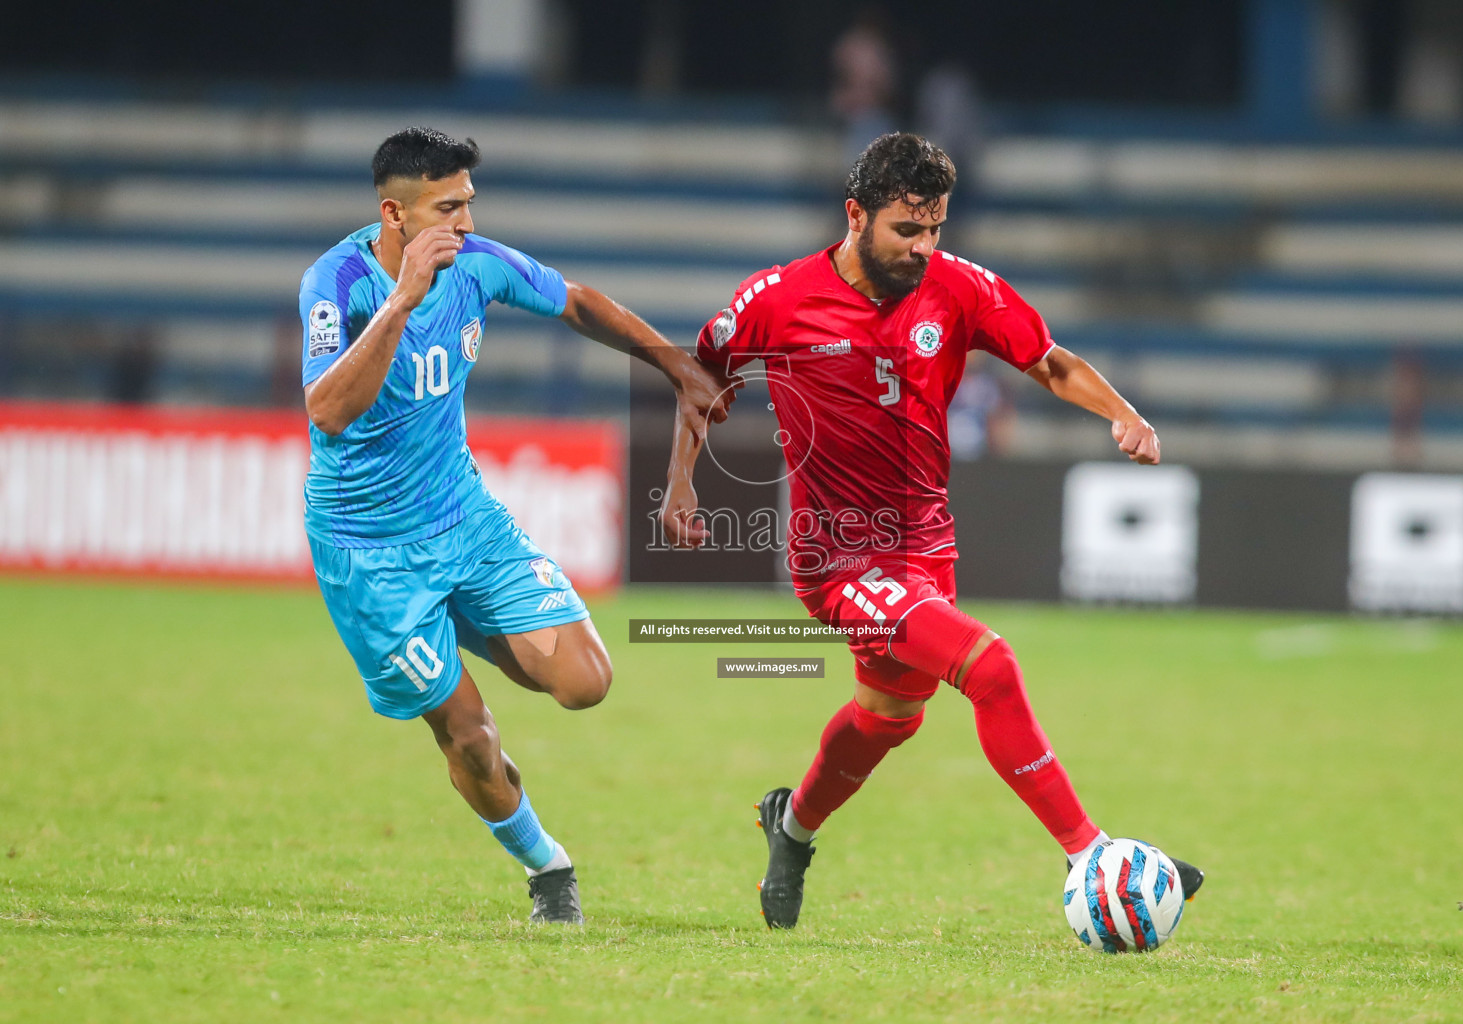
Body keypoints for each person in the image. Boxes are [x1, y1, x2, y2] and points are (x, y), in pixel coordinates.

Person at [660, 132, 1203, 930]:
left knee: (888, 717)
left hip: (925, 546)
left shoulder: (958, 289)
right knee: (990, 666)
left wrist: (1123, 413)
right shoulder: (777, 299)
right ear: (856, 216)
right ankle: (1092, 852)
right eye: (906, 231)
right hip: (837, 559)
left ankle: (793, 826)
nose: (924, 248)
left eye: (936, 229)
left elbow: (1049, 360)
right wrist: (679, 484)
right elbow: (700, 377)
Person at [300, 126, 732, 924]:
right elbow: (326, 410)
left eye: (469, 203)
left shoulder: (478, 265)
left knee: (585, 681)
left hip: (465, 520)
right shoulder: (336, 283)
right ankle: (547, 866)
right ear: (394, 214)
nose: (466, 223)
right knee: (468, 737)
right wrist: (401, 303)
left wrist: (671, 361)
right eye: (447, 208)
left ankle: (461, 626)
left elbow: (574, 302)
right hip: (371, 554)